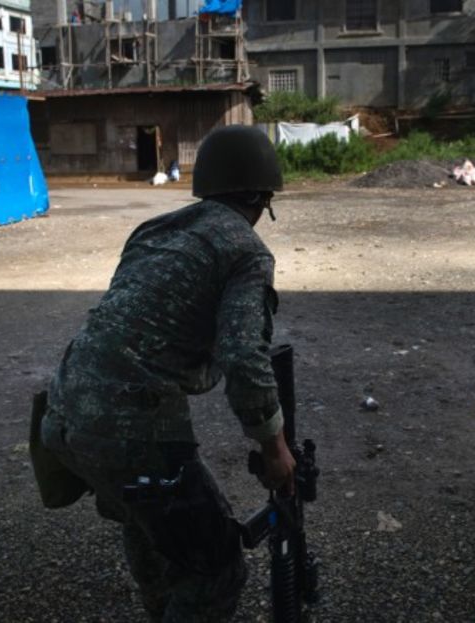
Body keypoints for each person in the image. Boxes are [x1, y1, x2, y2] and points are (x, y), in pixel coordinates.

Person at [40, 125, 295, 621]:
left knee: (154, 537)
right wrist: (274, 446)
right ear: (264, 198)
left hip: (63, 414)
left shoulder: (155, 229)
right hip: (132, 430)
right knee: (215, 570)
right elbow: (244, 356)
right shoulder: (245, 250)